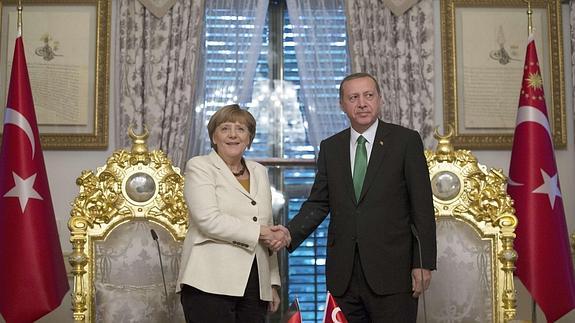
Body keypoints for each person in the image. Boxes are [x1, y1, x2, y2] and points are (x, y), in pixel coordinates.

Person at [271, 72, 437, 322]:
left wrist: (423, 263)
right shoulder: (331, 147)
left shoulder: (405, 141)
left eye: (368, 95)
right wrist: (289, 232)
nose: (362, 103)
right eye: (353, 97)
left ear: (379, 99)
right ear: (342, 104)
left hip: (393, 272)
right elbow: (318, 203)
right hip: (344, 275)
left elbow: (422, 207)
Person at [176, 104, 288, 323]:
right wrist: (260, 232)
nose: (233, 135)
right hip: (208, 280)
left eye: (241, 129)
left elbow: (267, 224)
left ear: (249, 138)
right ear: (214, 136)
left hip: (255, 283)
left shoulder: (259, 171)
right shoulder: (200, 166)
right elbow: (209, 220)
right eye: (225, 128)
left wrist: (271, 283)